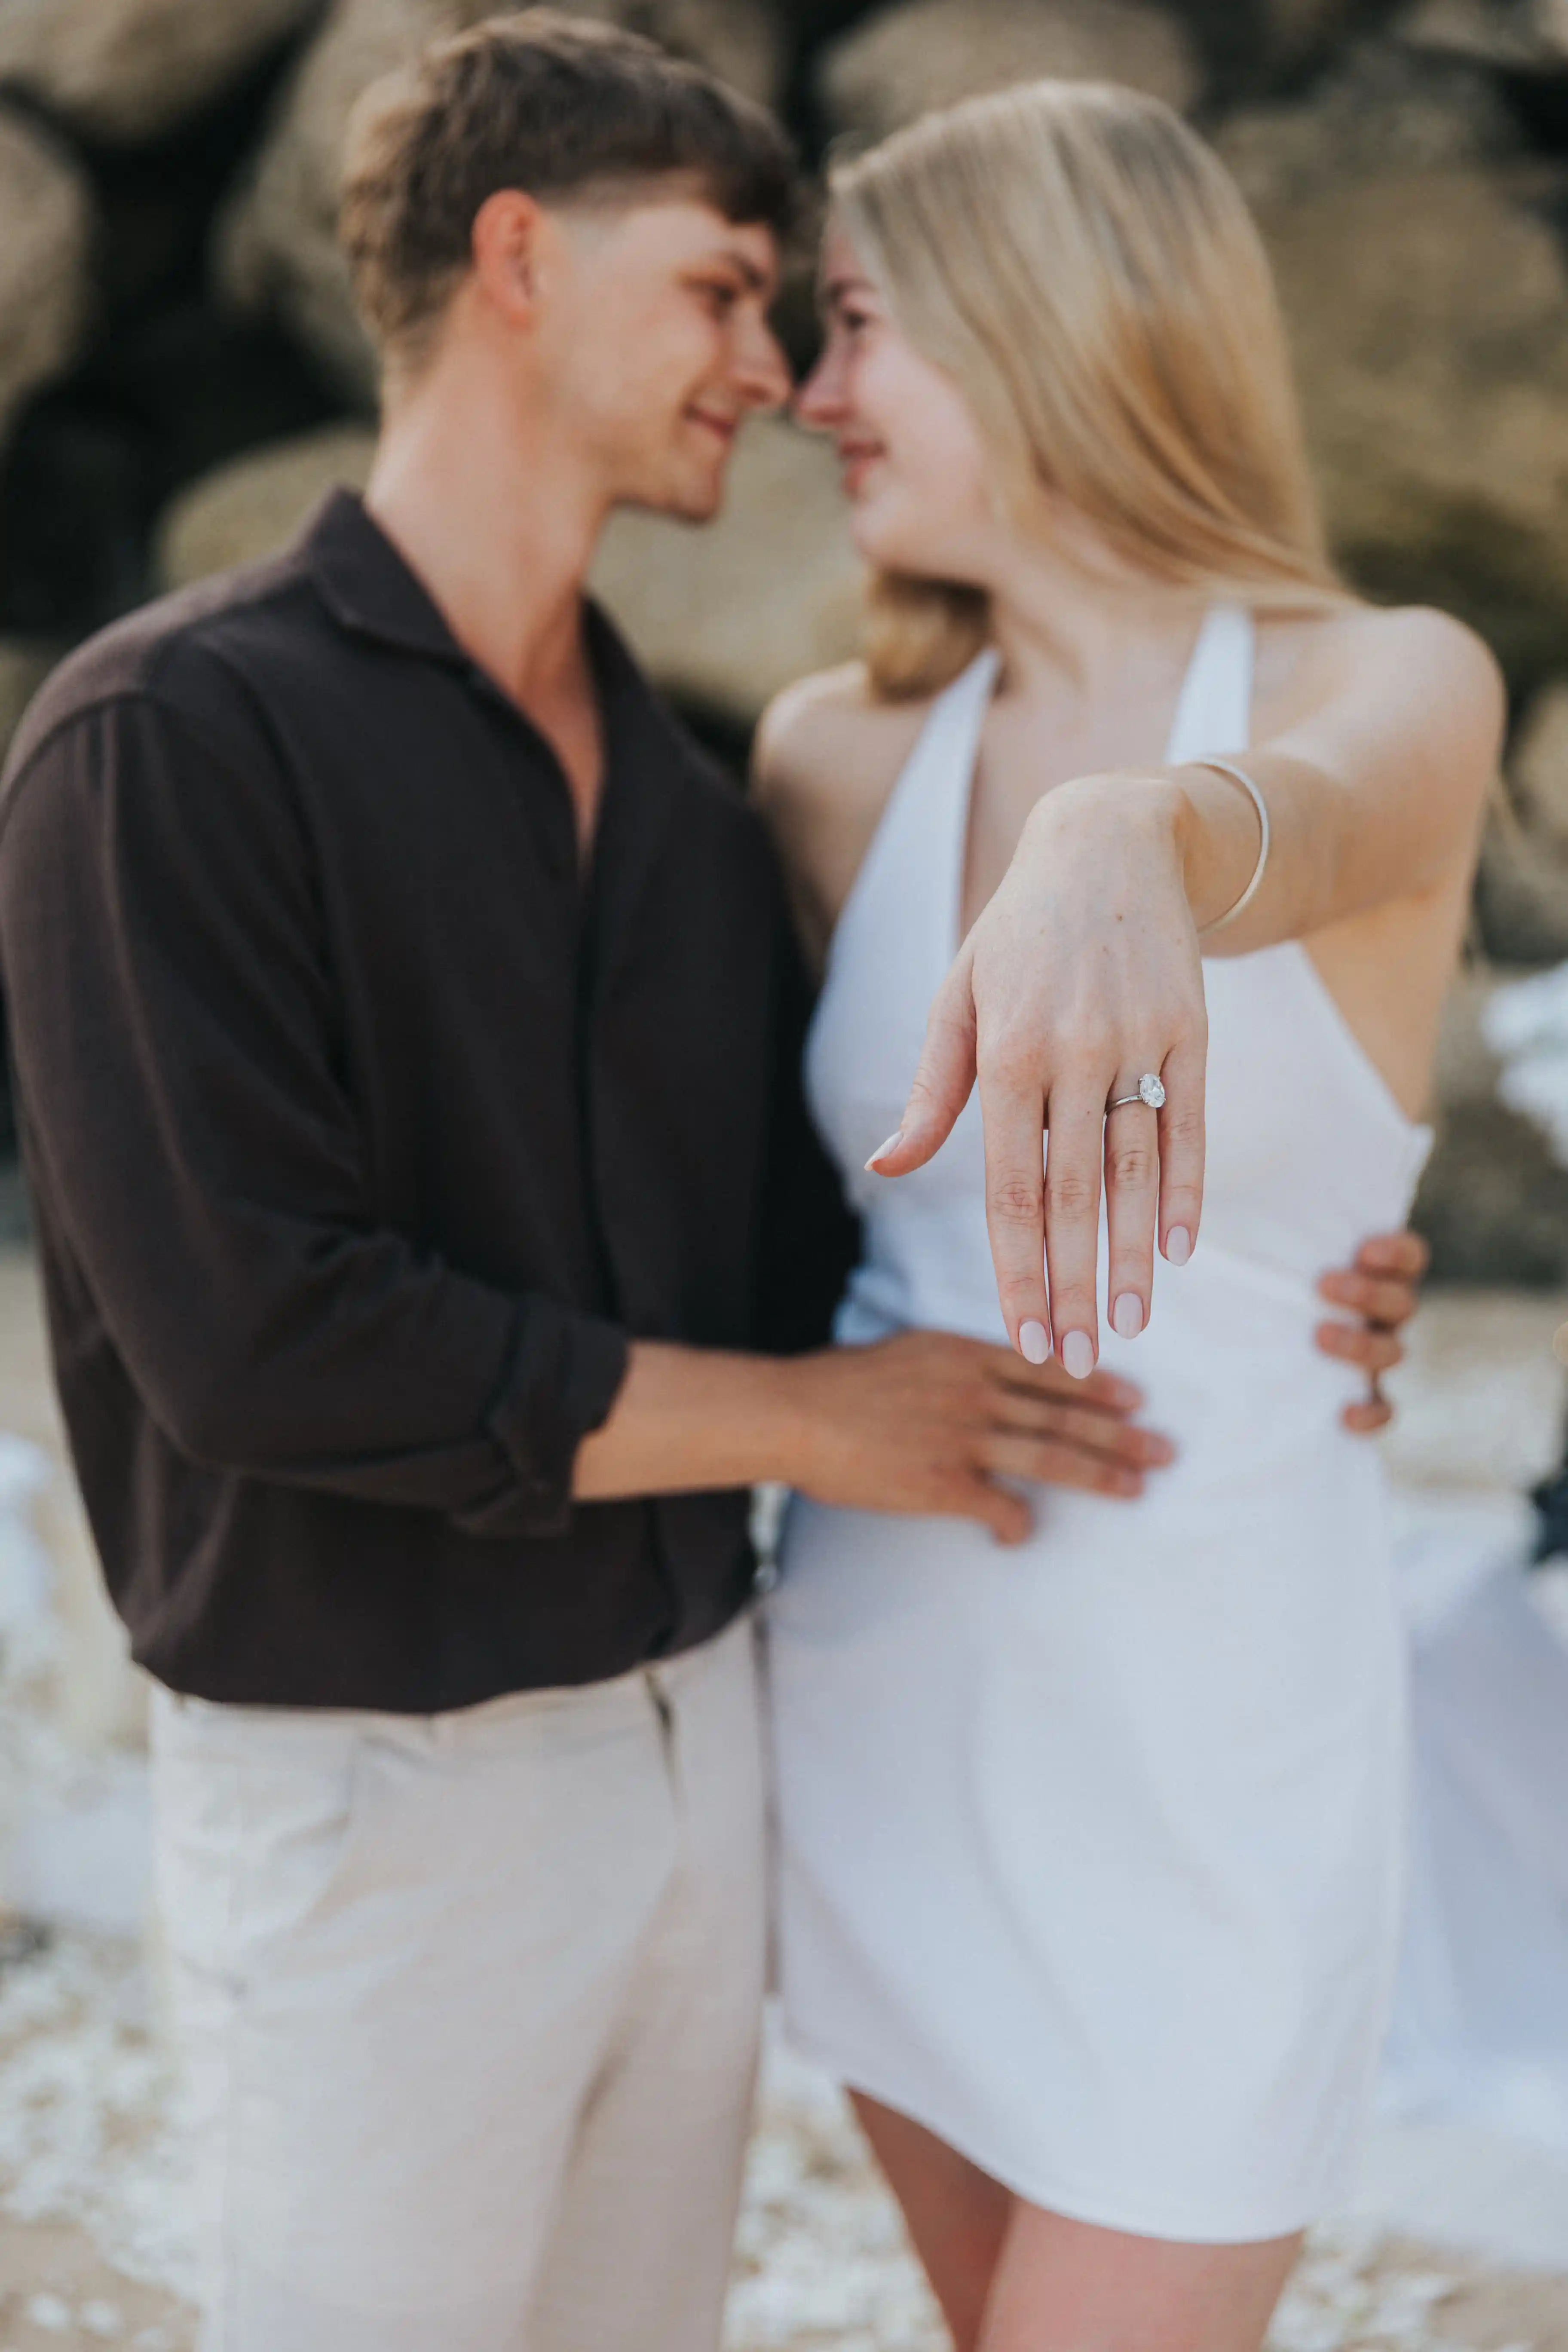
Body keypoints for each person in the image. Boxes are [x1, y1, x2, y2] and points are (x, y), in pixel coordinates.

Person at [0, 19, 1422, 2352]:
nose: (767, 373)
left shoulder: (687, 803)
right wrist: (813, 1429)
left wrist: (1297, 1260)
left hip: (717, 1749)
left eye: (801, 311)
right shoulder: (171, 738)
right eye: (725, 291)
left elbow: (831, 1240)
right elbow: (259, 1339)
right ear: (522, 256)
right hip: (369, 1788)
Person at [757, 79, 1501, 2352]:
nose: (811, 394)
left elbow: (1293, 828)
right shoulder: (826, 757)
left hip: (1218, 1754)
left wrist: (1125, 842)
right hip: (880, 1690)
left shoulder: (1391, 682)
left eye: (864, 322)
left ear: (1036, 322)